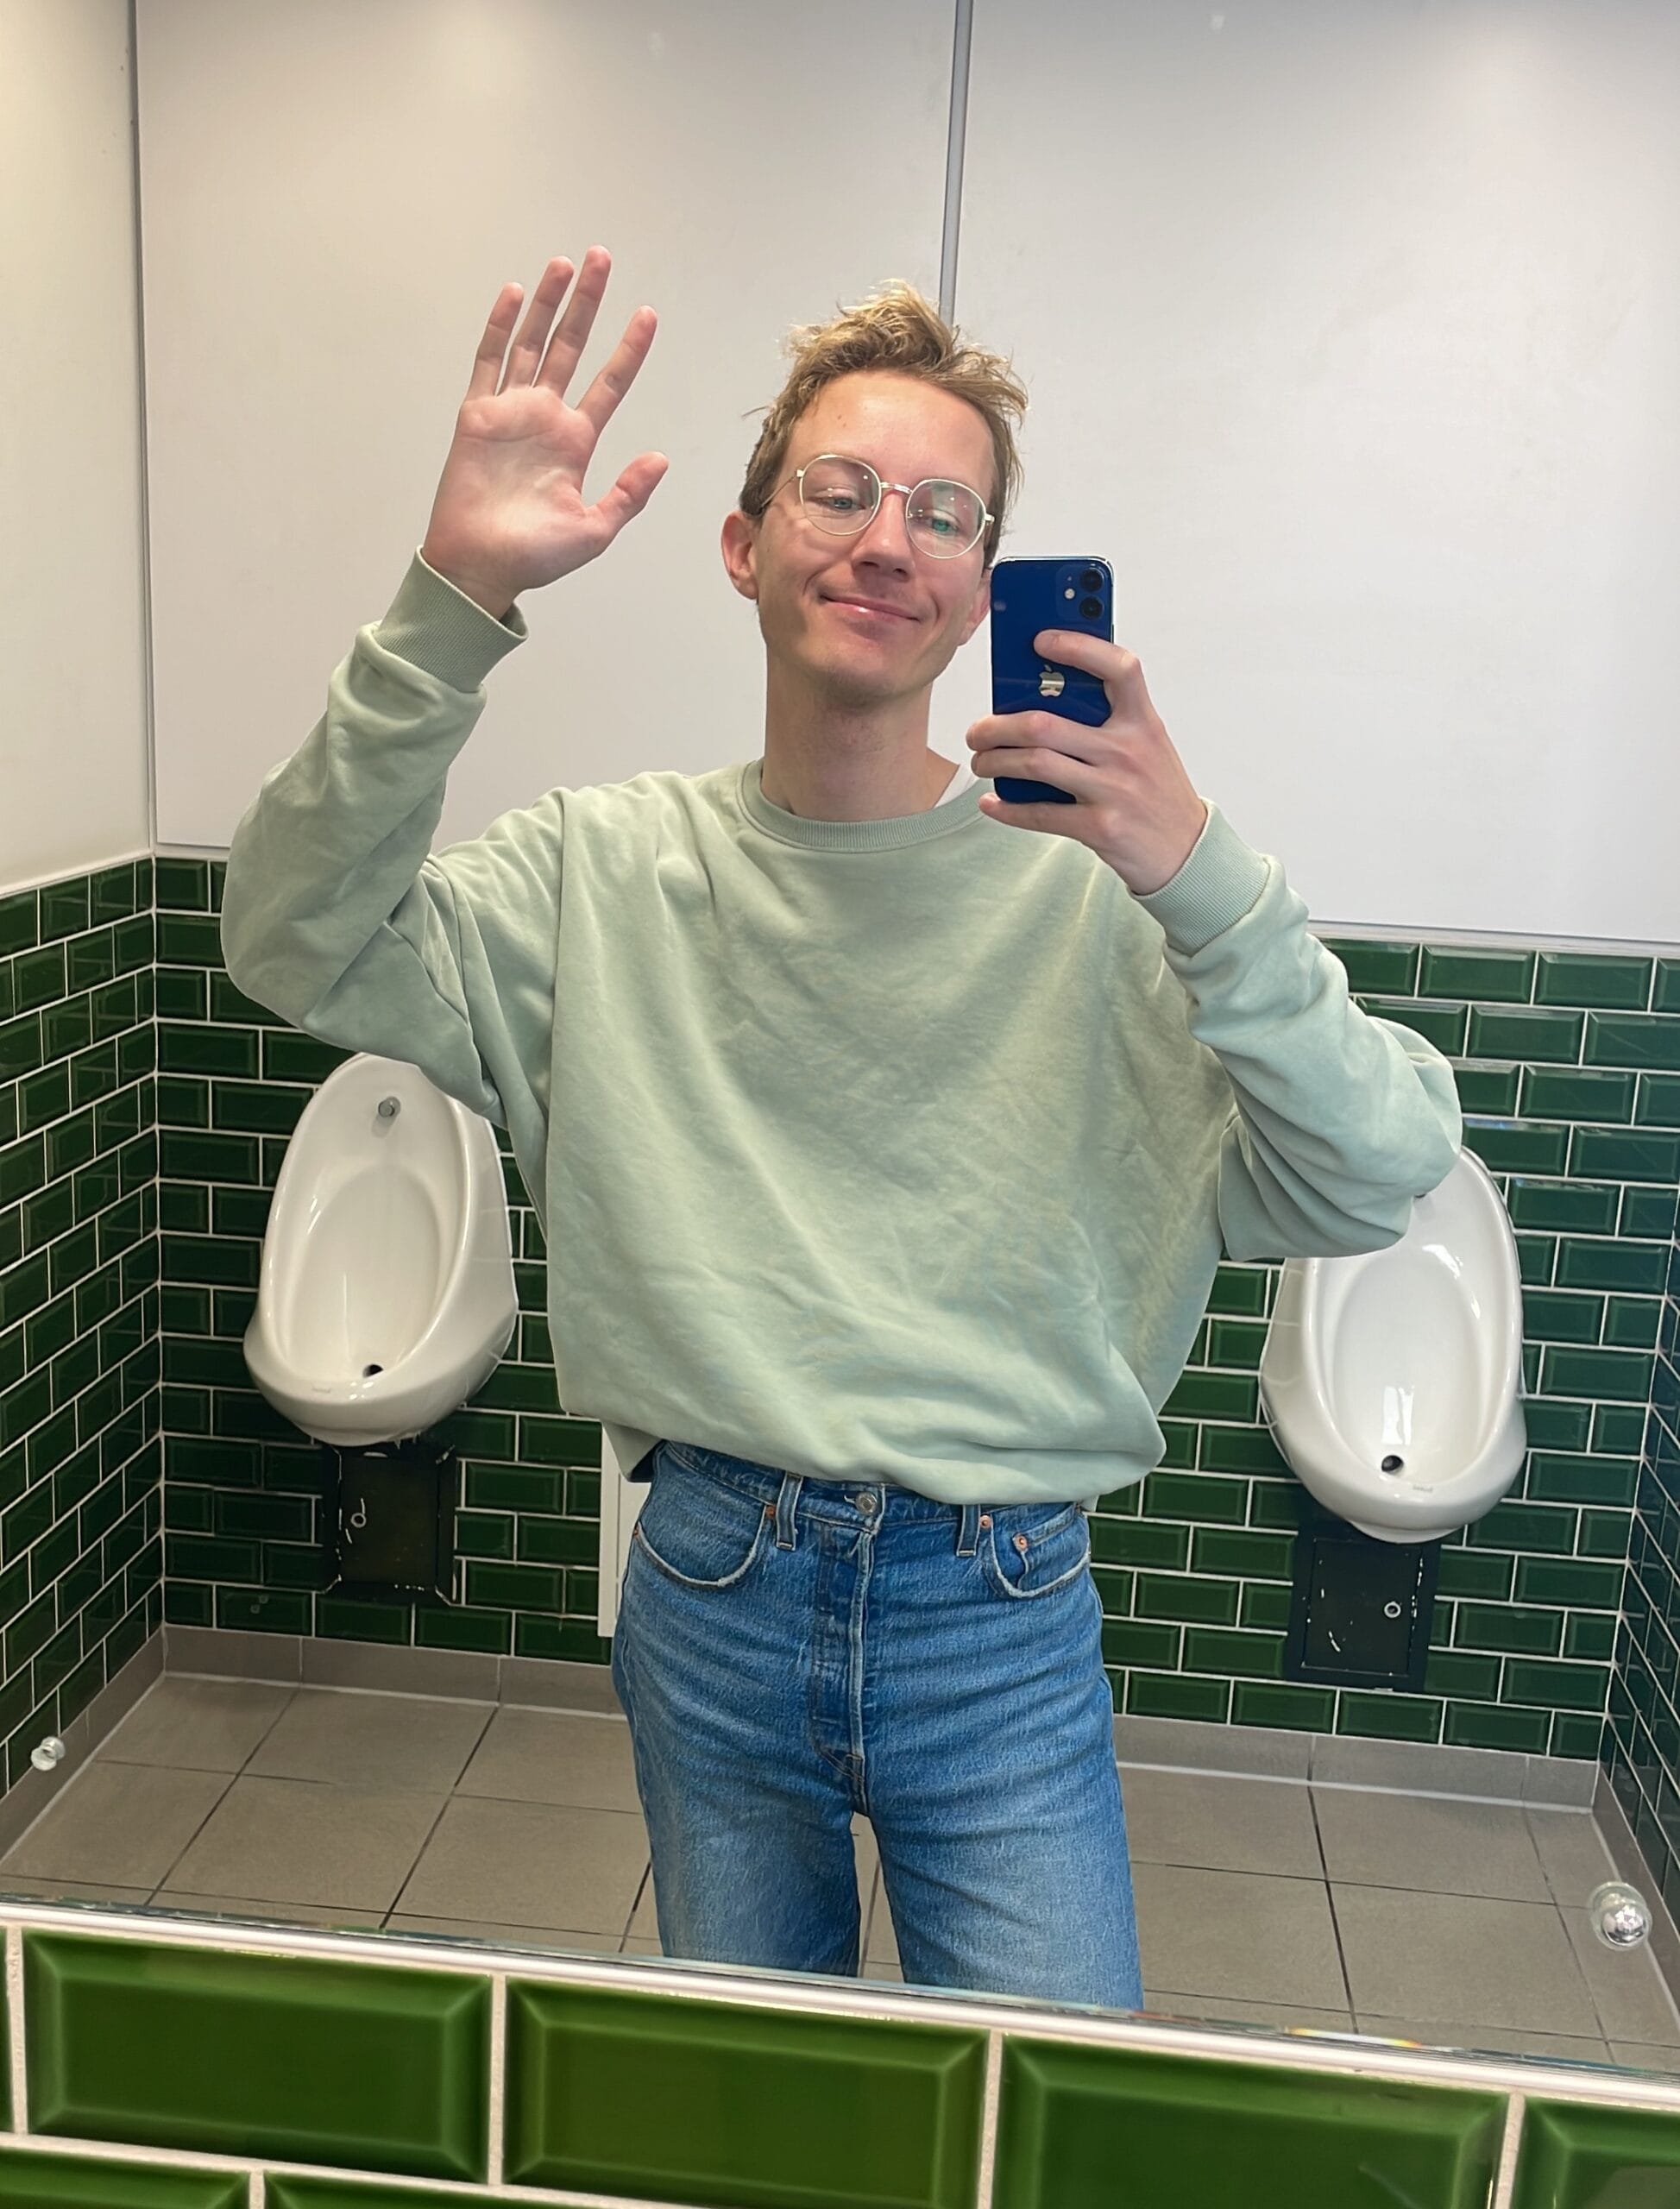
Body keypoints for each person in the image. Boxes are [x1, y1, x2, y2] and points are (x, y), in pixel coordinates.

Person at [221, 248, 1463, 2011]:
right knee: (756, 2116)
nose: (889, 538)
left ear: (976, 599)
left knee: (1043, 2109)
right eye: (841, 489)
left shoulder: (1110, 905)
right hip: (709, 1585)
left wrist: (1196, 867)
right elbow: (291, 936)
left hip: (1000, 1610)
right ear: (743, 546)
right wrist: (454, 597)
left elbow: (1378, 1168)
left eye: (944, 513)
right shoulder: (596, 875)